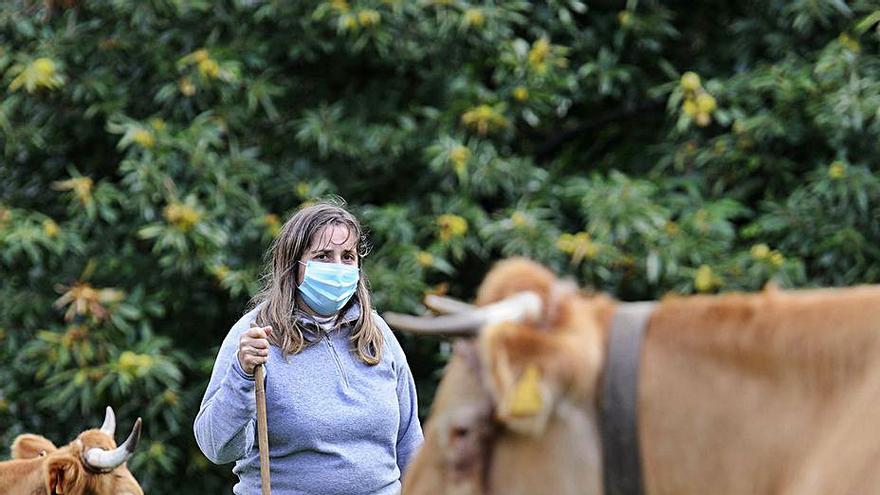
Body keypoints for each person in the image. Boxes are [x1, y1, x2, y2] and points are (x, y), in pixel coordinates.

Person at [194, 201, 424, 495]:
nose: (338, 267)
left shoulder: (377, 334)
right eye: (323, 256)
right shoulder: (256, 334)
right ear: (294, 264)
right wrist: (242, 374)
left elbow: (410, 440)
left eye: (348, 256)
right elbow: (216, 447)